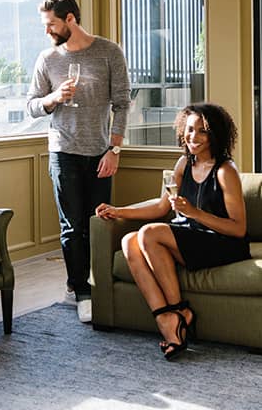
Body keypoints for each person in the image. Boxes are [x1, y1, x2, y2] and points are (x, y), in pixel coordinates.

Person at [96, 103, 250, 360]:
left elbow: (239, 228)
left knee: (148, 234)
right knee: (129, 240)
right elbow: (159, 207)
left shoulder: (225, 171)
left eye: (202, 131)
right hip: (188, 235)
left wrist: (194, 212)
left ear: (215, 135)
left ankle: (180, 311)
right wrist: (119, 211)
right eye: (190, 129)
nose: (193, 137)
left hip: (221, 243)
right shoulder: (182, 164)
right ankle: (166, 319)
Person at [27, 0, 130, 323]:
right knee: (71, 227)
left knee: (98, 223)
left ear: (70, 19)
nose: (48, 32)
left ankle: (101, 284)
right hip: (62, 151)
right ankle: (80, 290)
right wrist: (53, 98)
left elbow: (122, 104)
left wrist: (114, 149)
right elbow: (31, 105)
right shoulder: (47, 59)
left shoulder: (109, 52)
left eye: (51, 24)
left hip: (100, 152)